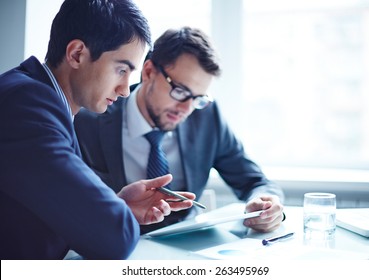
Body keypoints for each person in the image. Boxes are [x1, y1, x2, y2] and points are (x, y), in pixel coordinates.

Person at [0, 0, 196, 260]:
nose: (126, 89)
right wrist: (114, 214)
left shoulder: (38, 98)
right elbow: (116, 238)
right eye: (121, 70)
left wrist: (119, 204)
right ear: (77, 54)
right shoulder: (28, 105)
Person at [74, 27, 285, 234]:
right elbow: (75, 209)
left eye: (197, 98)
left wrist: (267, 203)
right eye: (180, 91)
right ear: (148, 72)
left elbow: (255, 180)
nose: (187, 109)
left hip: (188, 250)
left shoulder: (206, 117)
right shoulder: (89, 122)